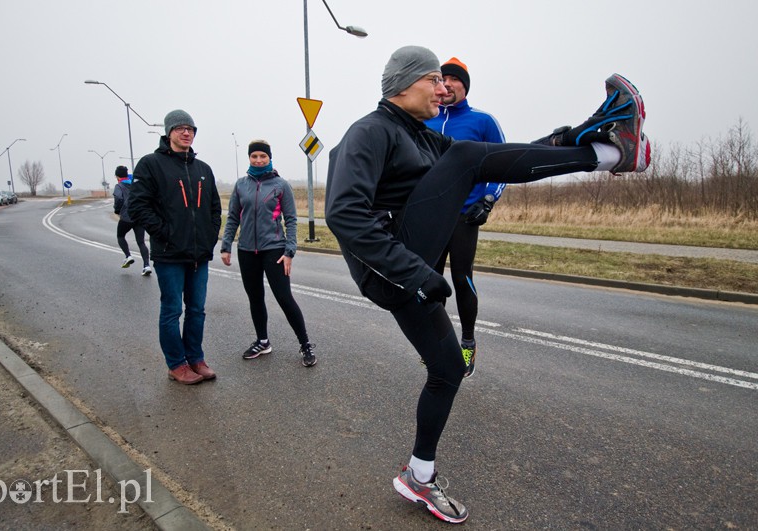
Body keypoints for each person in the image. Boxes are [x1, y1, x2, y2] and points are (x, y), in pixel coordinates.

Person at [325, 45, 649, 524]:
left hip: (410, 272)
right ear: (403, 84)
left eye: (444, 81)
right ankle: (609, 153)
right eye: (433, 80)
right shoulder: (369, 132)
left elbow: (497, 160)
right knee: (467, 155)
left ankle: (418, 476)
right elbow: (344, 214)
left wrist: (563, 138)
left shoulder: (422, 138)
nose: (442, 90)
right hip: (393, 270)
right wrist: (417, 274)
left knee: (449, 369)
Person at [424, 57, 506, 378]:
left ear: (464, 86)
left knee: (461, 279)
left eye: (453, 79)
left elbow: (503, 164)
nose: (446, 84)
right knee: (431, 281)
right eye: (441, 79)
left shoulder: (482, 121)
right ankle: (438, 343)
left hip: (464, 216)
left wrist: (488, 199)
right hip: (432, 215)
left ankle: (467, 342)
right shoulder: (426, 120)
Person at [129, 109, 222, 385]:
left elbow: (214, 208)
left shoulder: (203, 169)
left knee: (197, 310)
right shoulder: (151, 164)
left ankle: (195, 358)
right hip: (169, 254)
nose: (186, 133)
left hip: (198, 255)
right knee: (172, 311)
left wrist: (209, 236)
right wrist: (165, 234)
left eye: (190, 129)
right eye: (180, 128)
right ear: (169, 132)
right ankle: (176, 364)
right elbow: (138, 206)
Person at [220, 140, 317, 367]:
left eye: (262, 156)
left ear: (269, 158)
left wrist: (290, 251)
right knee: (255, 298)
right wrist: (226, 246)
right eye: (254, 156)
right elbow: (233, 217)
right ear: (249, 158)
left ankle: (305, 344)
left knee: (284, 298)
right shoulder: (241, 185)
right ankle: (263, 341)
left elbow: (291, 220)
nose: (258, 160)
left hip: (274, 249)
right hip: (246, 250)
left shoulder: (280, 185)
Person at [112, 165, 151, 276]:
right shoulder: (135, 183)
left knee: (120, 236)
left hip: (126, 217)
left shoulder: (119, 186)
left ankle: (128, 256)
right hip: (139, 216)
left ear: (117, 176)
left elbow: (119, 198)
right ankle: (146, 266)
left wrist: (117, 210)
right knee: (141, 242)